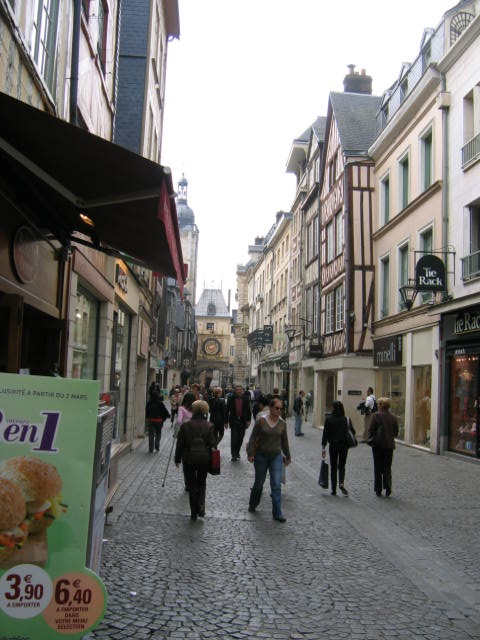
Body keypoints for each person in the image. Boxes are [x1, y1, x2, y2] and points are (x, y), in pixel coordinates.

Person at [246, 397, 291, 522]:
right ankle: (253, 503)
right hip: (261, 456)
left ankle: (277, 513)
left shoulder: (282, 423)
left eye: (281, 409)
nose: (279, 411)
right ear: (270, 408)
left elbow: (284, 441)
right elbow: (253, 437)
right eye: (277, 408)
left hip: (276, 456)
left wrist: (287, 456)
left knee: (276, 484)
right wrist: (250, 453)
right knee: (259, 483)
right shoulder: (261, 421)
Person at [174, 400, 217, 519]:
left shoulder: (186, 426)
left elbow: (180, 444)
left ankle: (194, 511)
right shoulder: (209, 426)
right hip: (204, 459)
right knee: (202, 483)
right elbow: (213, 444)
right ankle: (201, 505)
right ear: (205, 411)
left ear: (192, 411)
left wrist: (177, 459)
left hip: (189, 458)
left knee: (192, 485)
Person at [368, 397, 399, 497]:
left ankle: (378, 489)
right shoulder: (393, 417)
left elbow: (371, 430)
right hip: (389, 445)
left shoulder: (375, 416)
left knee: (377, 467)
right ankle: (388, 487)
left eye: (378, 404)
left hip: (378, 445)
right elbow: (396, 433)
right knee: (387, 467)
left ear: (381, 405)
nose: (377, 405)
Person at [321, 401, 354, 496]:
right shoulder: (346, 419)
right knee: (342, 465)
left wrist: (323, 447)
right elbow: (353, 432)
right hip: (344, 446)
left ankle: (333, 489)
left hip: (333, 446)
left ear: (334, 408)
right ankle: (341, 483)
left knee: (333, 466)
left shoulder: (329, 419)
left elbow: (325, 435)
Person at [226, 385, 252, 461]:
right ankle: (233, 454)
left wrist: (248, 420)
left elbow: (248, 410)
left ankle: (237, 452)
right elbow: (227, 410)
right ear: (235, 391)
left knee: (240, 438)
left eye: (240, 390)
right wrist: (225, 421)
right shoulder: (230, 398)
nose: (238, 391)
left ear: (242, 391)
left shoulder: (246, 399)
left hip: (242, 421)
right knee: (234, 438)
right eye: (237, 390)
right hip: (234, 421)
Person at [176, 392, 196, 490]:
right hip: (195, 435)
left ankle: (187, 483)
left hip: (184, 434)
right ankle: (193, 480)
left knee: (185, 456)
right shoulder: (196, 409)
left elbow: (179, 421)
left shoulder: (181, 408)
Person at [145, 388, 170, 453]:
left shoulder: (149, 403)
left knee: (151, 434)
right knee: (158, 433)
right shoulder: (160, 403)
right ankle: (157, 444)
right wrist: (165, 417)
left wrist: (147, 418)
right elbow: (165, 412)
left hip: (151, 420)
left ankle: (151, 448)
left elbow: (146, 412)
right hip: (158, 421)